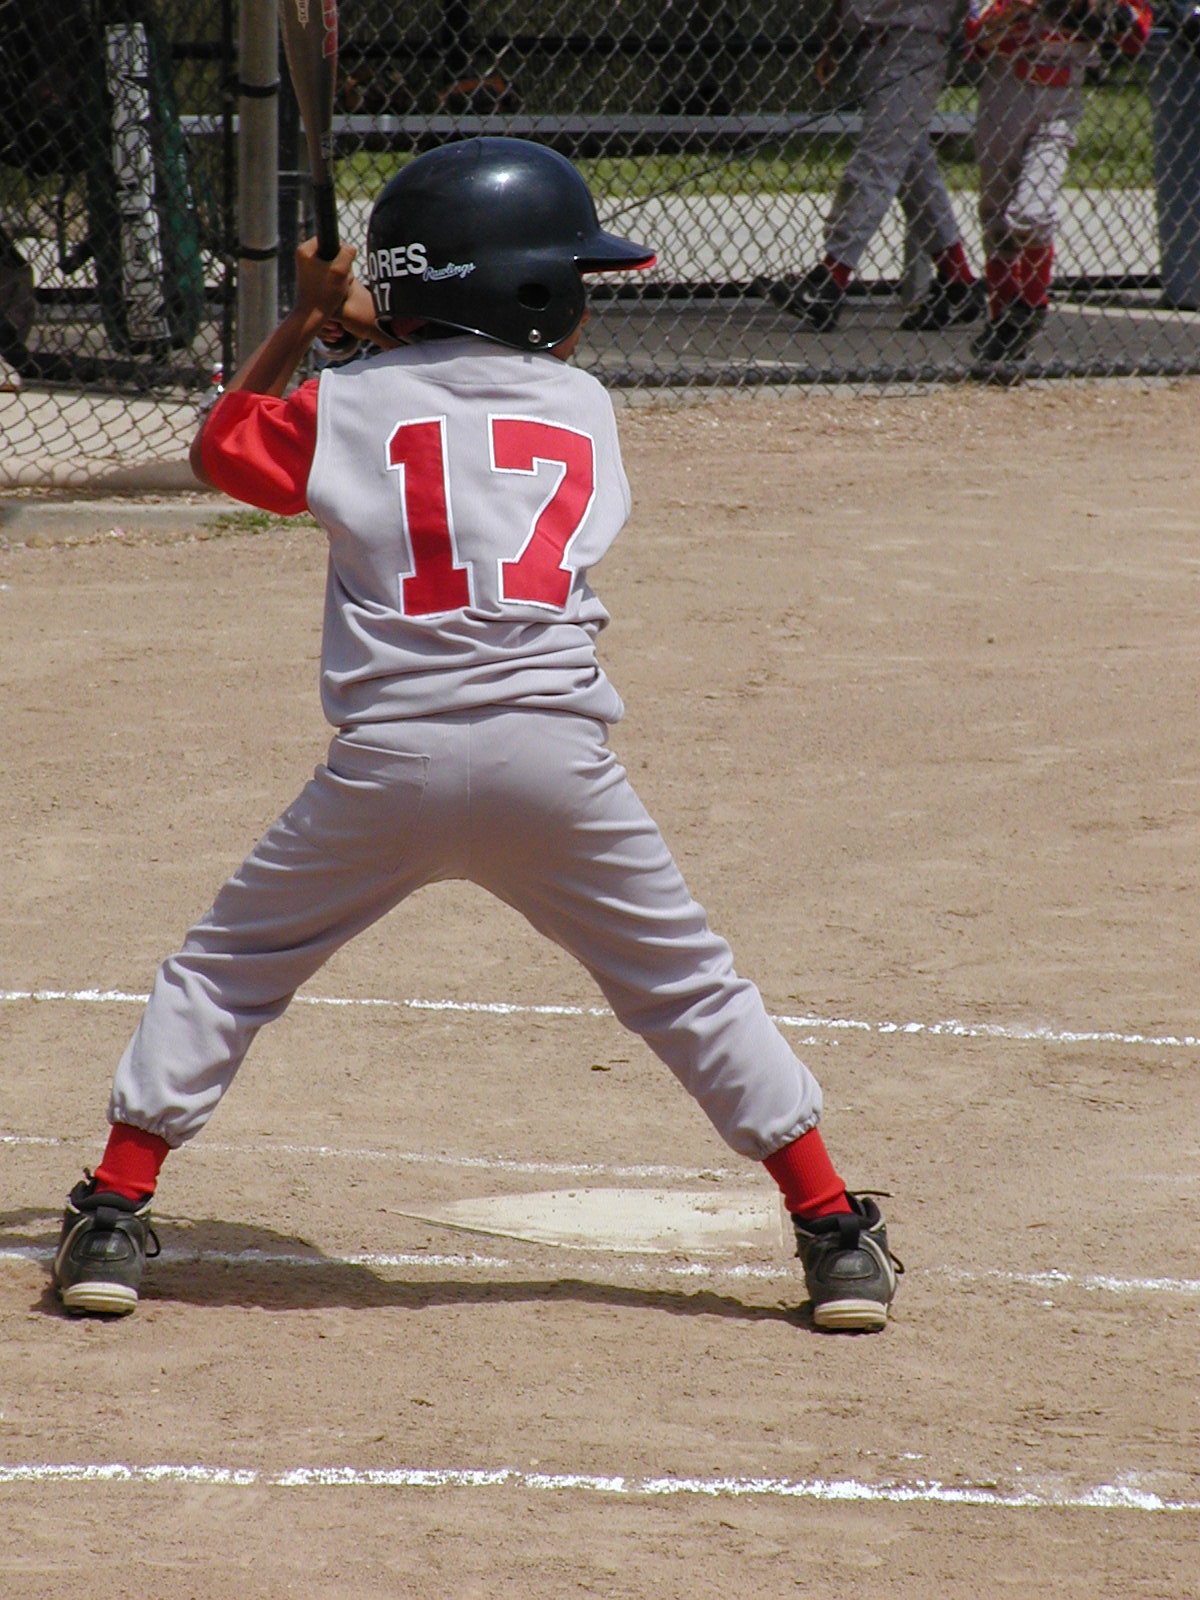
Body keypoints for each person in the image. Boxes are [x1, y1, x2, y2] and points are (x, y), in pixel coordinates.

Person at [52, 138, 901, 1334]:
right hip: (555, 765)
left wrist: (306, 319)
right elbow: (461, 389)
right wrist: (366, 318)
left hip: (385, 767)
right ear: (527, 293)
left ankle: (112, 1210)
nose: (582, 301)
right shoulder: (585, 407)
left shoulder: (338, 405)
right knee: (689, 987)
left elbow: (224, 444)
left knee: (226, 973)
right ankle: (833, 1229)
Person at [770, 0, 982, 331]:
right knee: (912, 165)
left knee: (876, 161)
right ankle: (958, 280)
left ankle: (831, 279)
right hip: (873, 45)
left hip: (913, 43)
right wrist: (832, 41)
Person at [966, 0, 1152, 366]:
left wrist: (1105, 14)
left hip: (1062, 92)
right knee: (995, 213)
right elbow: (976, 39)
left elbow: (1136, 33)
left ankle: (1030, 308)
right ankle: (1004, 329)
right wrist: (1018, 9)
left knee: (1032, 214)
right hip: (1007, 86)